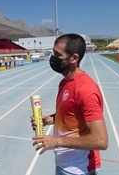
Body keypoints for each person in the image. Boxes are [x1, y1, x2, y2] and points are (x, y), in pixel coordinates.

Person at [31, 33, 108, 175]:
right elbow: (69, 114)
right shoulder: (64, 82)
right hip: (63, 165)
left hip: (79, 169)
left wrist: (57, 141)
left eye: (57, 54)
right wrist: (48, 120)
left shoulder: (86, 89)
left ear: (74, 58)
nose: (52, 58)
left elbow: (101, 140)